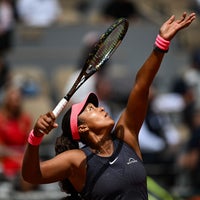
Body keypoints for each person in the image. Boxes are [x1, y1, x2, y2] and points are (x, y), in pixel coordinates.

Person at [22, 12, 196, 200]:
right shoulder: (77, 159)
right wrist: (35, 137)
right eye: (91, 109)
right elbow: (32, 175)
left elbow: (141, 86)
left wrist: (161, 44)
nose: (100, 108)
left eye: (96, 106)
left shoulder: (126, 137)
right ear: (82, 127)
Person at [0, 85, 37, 191]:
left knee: (36, 163)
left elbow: (28, 143)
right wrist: (17, 153)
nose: (16, 102)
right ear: (7, 100)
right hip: (5, 159)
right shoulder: (1, 119)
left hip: (22, 156)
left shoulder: (25, 118)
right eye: (14, 99)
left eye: (18, 99)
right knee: (25, 166)